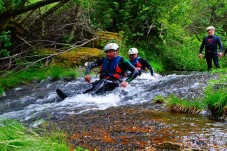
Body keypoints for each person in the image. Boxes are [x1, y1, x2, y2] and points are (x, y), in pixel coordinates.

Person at [56, 43, 139, 100]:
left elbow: (135, 71)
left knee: (103, 81)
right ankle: (72, 98)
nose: (108, 54)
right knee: (93, 85)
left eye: (110, 52)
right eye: (106, 52)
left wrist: (127, 81)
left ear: (116, 52)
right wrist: (86, 73)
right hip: (103, 82)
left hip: (115, 83)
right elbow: (91, 64)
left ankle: (88, 97)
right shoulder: (104, 60)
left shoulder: (122, 60)